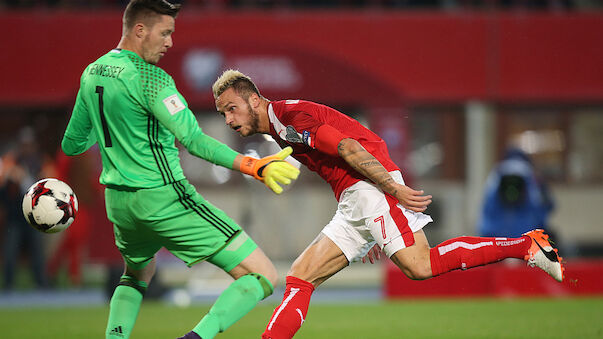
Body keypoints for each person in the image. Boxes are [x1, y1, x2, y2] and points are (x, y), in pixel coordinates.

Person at [211, 69, 565, 339]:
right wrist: (369, 222)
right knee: (300, 277)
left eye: (231, 109)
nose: (228, 120)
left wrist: (390, 190)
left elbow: (349, 147)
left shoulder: (291, 119)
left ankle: (525, 244)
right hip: (355, 198)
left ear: (254, 100)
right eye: (223, 113)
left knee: (420, 265)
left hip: (369, 189)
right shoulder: (279, 125)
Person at [61, 2, 299, 339]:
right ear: (140, 30)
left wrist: (113, 128)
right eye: (165, 32)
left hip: (119, 204)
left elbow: (72, 144)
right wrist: (254, 165)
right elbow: (196, 140)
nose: (170, 41)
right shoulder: (151, 78)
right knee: (262, 276)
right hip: (164, 197)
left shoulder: (92, 72)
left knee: (137, 273)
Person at [478, 147, 556, 238]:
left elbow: (487, 208)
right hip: (526, 238)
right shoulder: (531, 176)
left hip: (496, 238)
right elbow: (546, 206)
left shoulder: (497, 174)